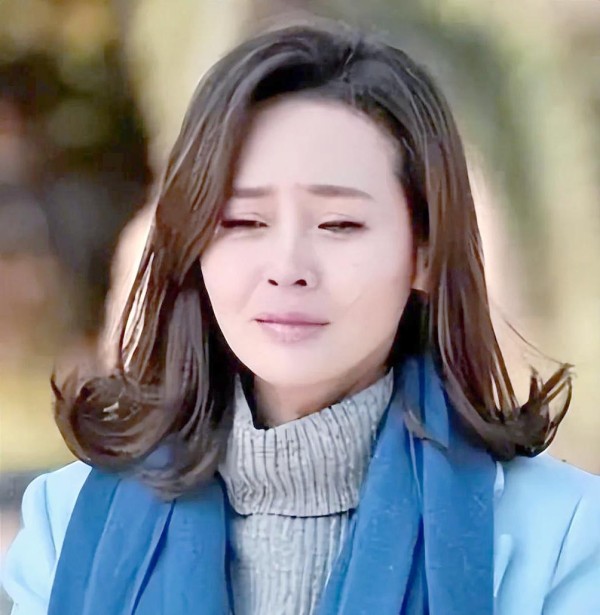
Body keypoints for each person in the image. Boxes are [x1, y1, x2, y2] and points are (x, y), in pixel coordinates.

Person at [2, 18, 599, 615]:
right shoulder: (69, 525)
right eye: (243, 222)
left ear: (424, 252)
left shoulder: (559, 537)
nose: (287, 268)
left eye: (339, 224)